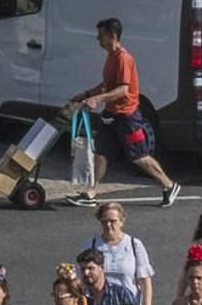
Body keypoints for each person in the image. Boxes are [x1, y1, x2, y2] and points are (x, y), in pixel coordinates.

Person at [67, 15, 181, 206]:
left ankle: (169, 185)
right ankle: (91, 193)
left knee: (139, 156)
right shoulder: (111, 57)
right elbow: (107, 84)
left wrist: (97, 99)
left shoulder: (123, 58)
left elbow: (122, 90)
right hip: (111, 114)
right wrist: (86, 94)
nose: (97, 38)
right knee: (101, 152)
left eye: (101, 35)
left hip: (127, 117)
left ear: (112, 36)